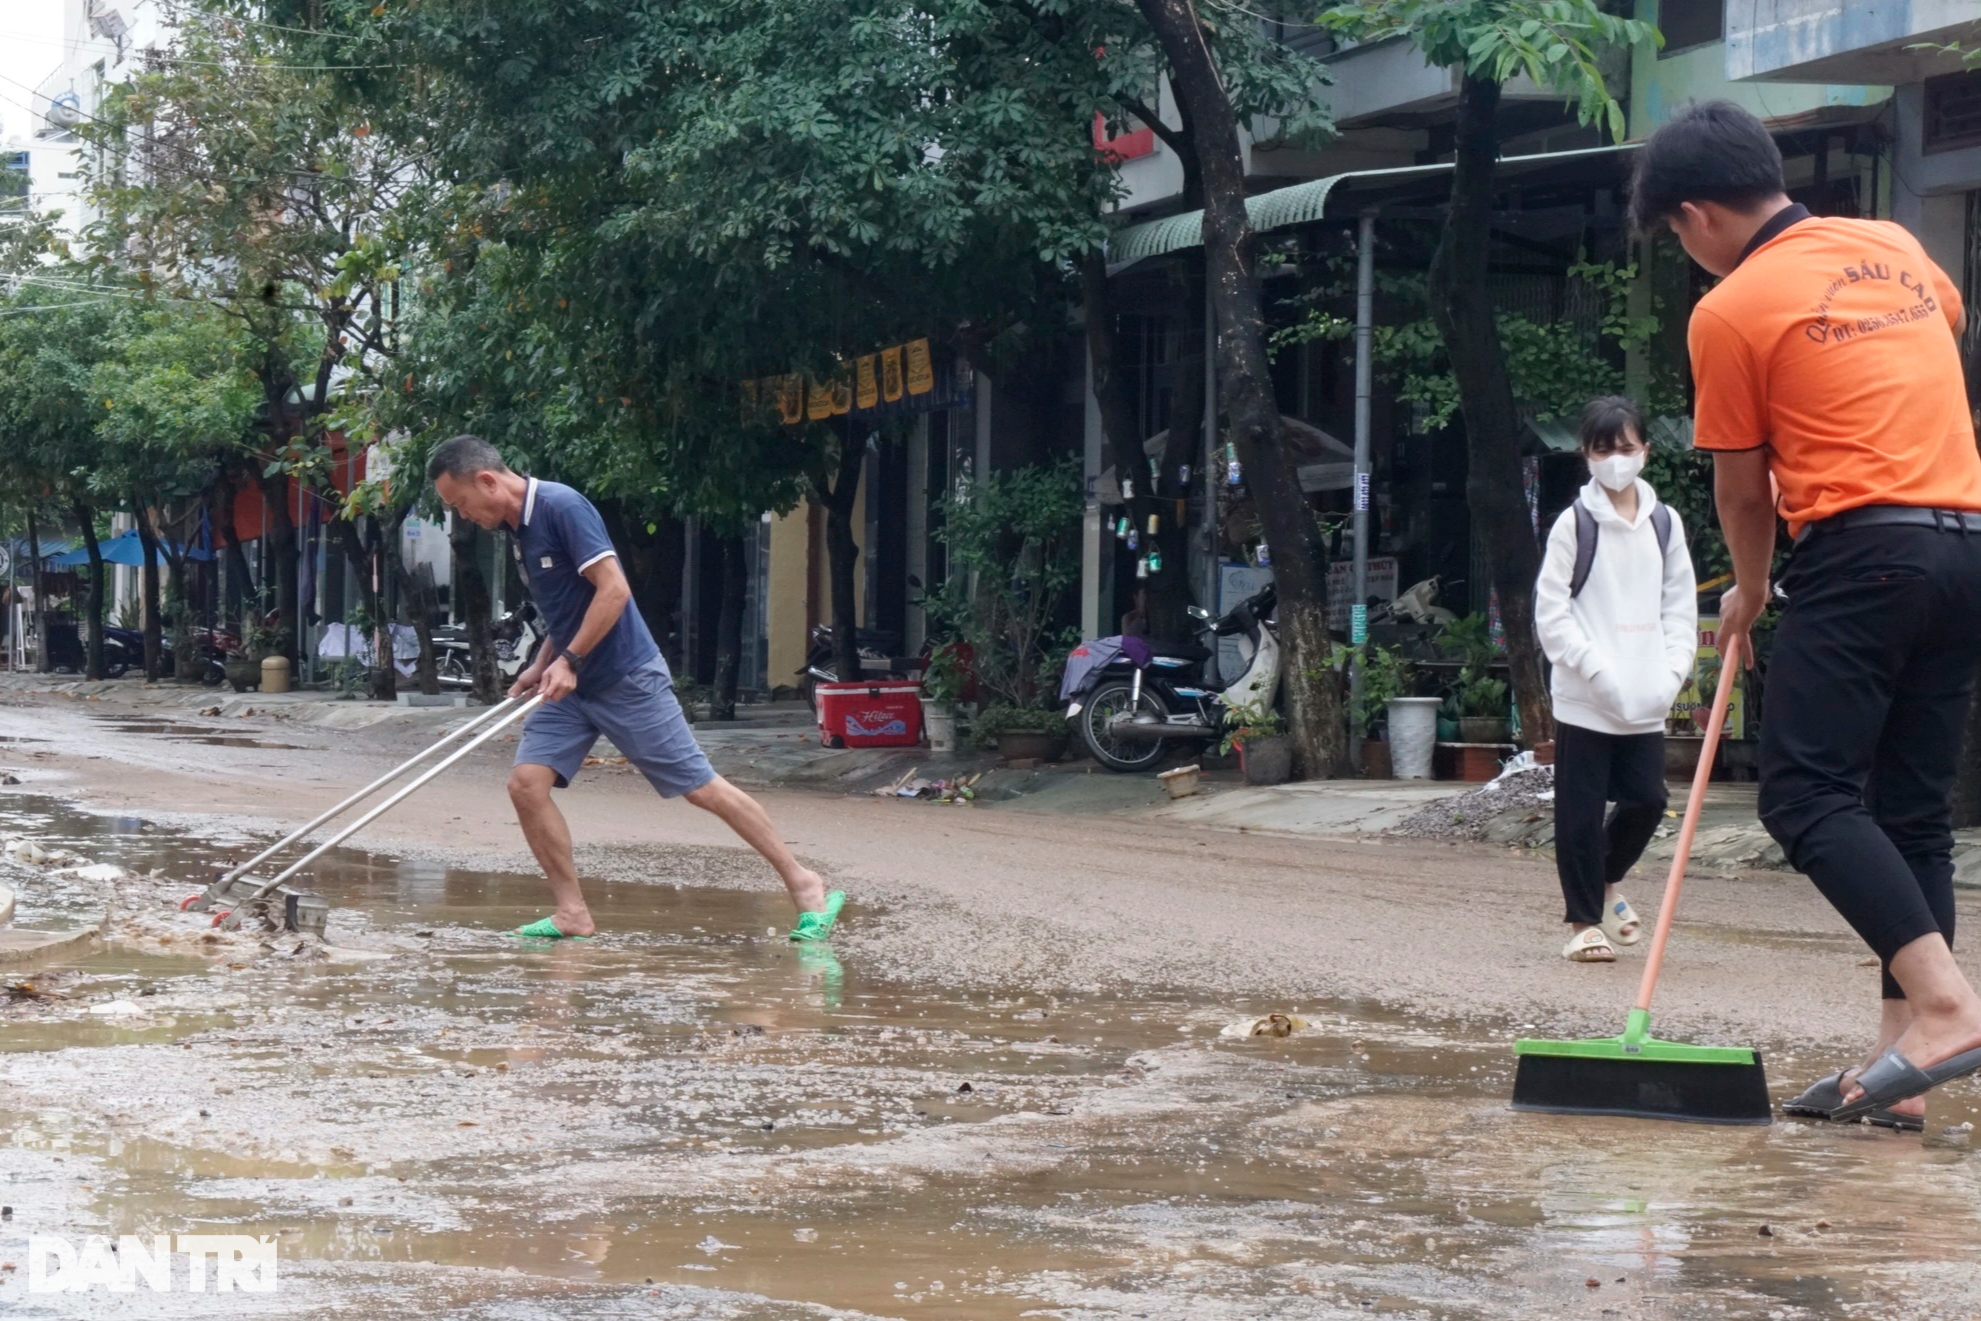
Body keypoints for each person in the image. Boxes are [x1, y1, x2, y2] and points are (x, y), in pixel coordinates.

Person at [1632, 100, 1981, 1127]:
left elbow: (1742, 491)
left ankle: (1945, 1004)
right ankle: (1900, 1070)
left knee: (1805, 794)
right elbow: (1945, 320)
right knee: (1910, 810)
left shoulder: (1730, 310)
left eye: (1673, 238)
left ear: (1694, 215)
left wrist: (1745, 591)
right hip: (1965, 543)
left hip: (1864, 551)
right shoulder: (1894, 246)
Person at [426, 435, 844, 942]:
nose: (463, 515)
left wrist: (570, 660)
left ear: (487, 480)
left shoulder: (561, 507)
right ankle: (571, 912)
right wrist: (543, 663)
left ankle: (805, 883)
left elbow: (615, 589)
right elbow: (567, 608)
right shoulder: (519, 531)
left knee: (700, 788)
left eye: (460, 504)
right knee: (526, 786)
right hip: (571, 685)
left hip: (625, 677)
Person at [1535, 396, 1697, 963]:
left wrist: (1675, 667)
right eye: (1604, 449)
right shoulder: (1572, 525)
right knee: (1578, 813)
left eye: (1626, 448)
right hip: (1586, 695)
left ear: (1645, 451)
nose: (1616, 459)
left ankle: (1604, 884)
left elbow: (1679, 603)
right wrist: (1594, 668)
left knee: (1647, 801)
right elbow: (1550, 614)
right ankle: (1583, 923)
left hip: (1647, 692)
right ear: (1586, 455)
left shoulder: (1664, 522)